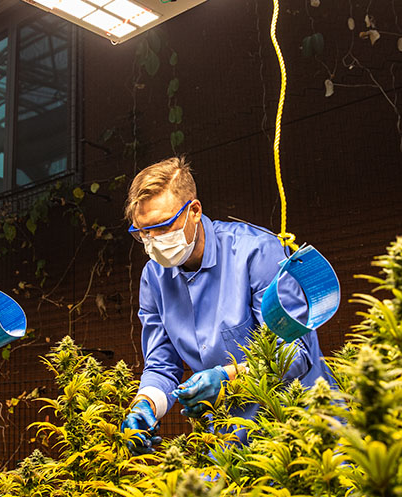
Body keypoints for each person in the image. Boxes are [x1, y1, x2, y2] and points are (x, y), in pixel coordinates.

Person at [119, 156, 331, 454]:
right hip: (228, 439)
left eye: (163, 227)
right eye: (143, 232)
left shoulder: (257, 252)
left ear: (194, 211)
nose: (153, 241)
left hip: (299, 426)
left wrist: (226, 377)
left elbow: (296, 354)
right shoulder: (153, 277)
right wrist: (146, 404)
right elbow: (161, 364)